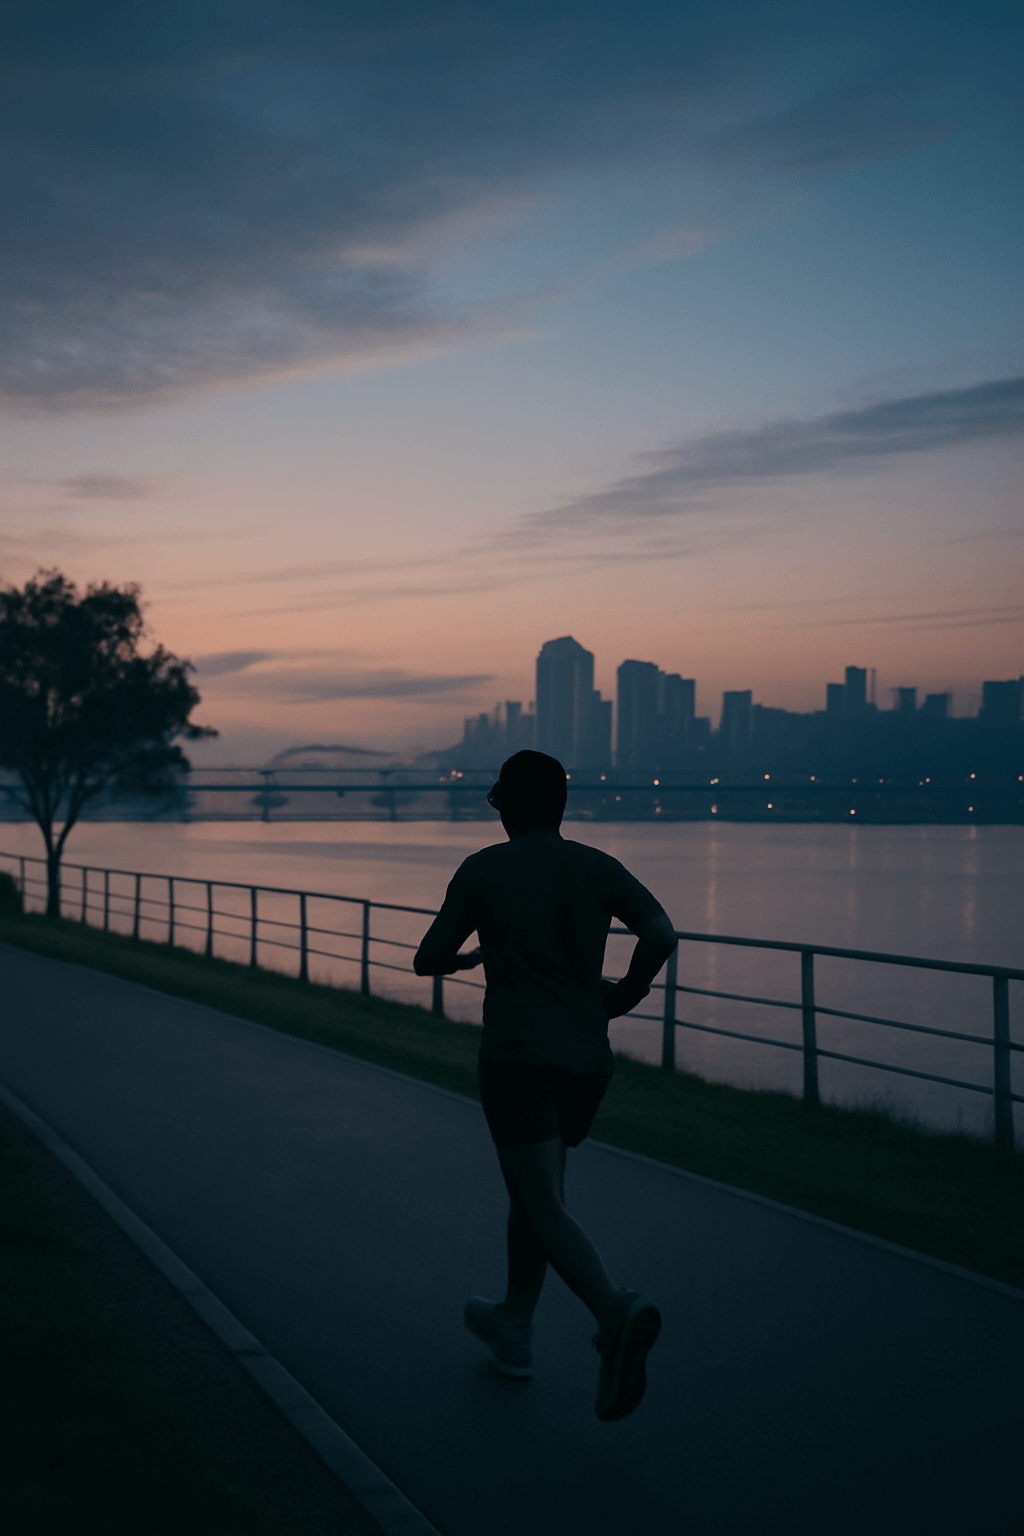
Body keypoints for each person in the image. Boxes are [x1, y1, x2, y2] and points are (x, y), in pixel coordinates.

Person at [414, 749, 677, 1421]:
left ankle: (614, 1313)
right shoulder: (598, 866)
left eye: (497, 800)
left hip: (519, 1059)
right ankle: (514, 1325)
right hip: (588, 1059)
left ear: (506, 804)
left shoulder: (483, 870)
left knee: (540, 1201)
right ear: (561, 806)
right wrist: (627, 993)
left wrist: (473, 956)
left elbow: (427, 958)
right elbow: (660, 931)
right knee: (537, 1194)